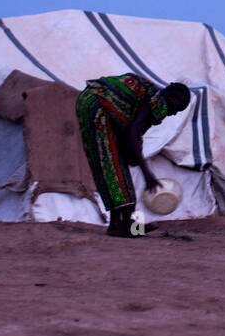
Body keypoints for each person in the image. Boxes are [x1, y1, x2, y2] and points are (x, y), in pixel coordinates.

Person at [76, 73, 191, 237]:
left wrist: (138, 161)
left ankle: (118, 224)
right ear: (172, 96)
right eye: (177, 108)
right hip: (95, 105)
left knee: (117, 161)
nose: (173, 114)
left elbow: (133, 136)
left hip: (102, 106)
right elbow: (132, 133)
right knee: (109, 161)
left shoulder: (154, 98)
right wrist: (147, 173)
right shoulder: (154, 100)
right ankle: (125, 223)